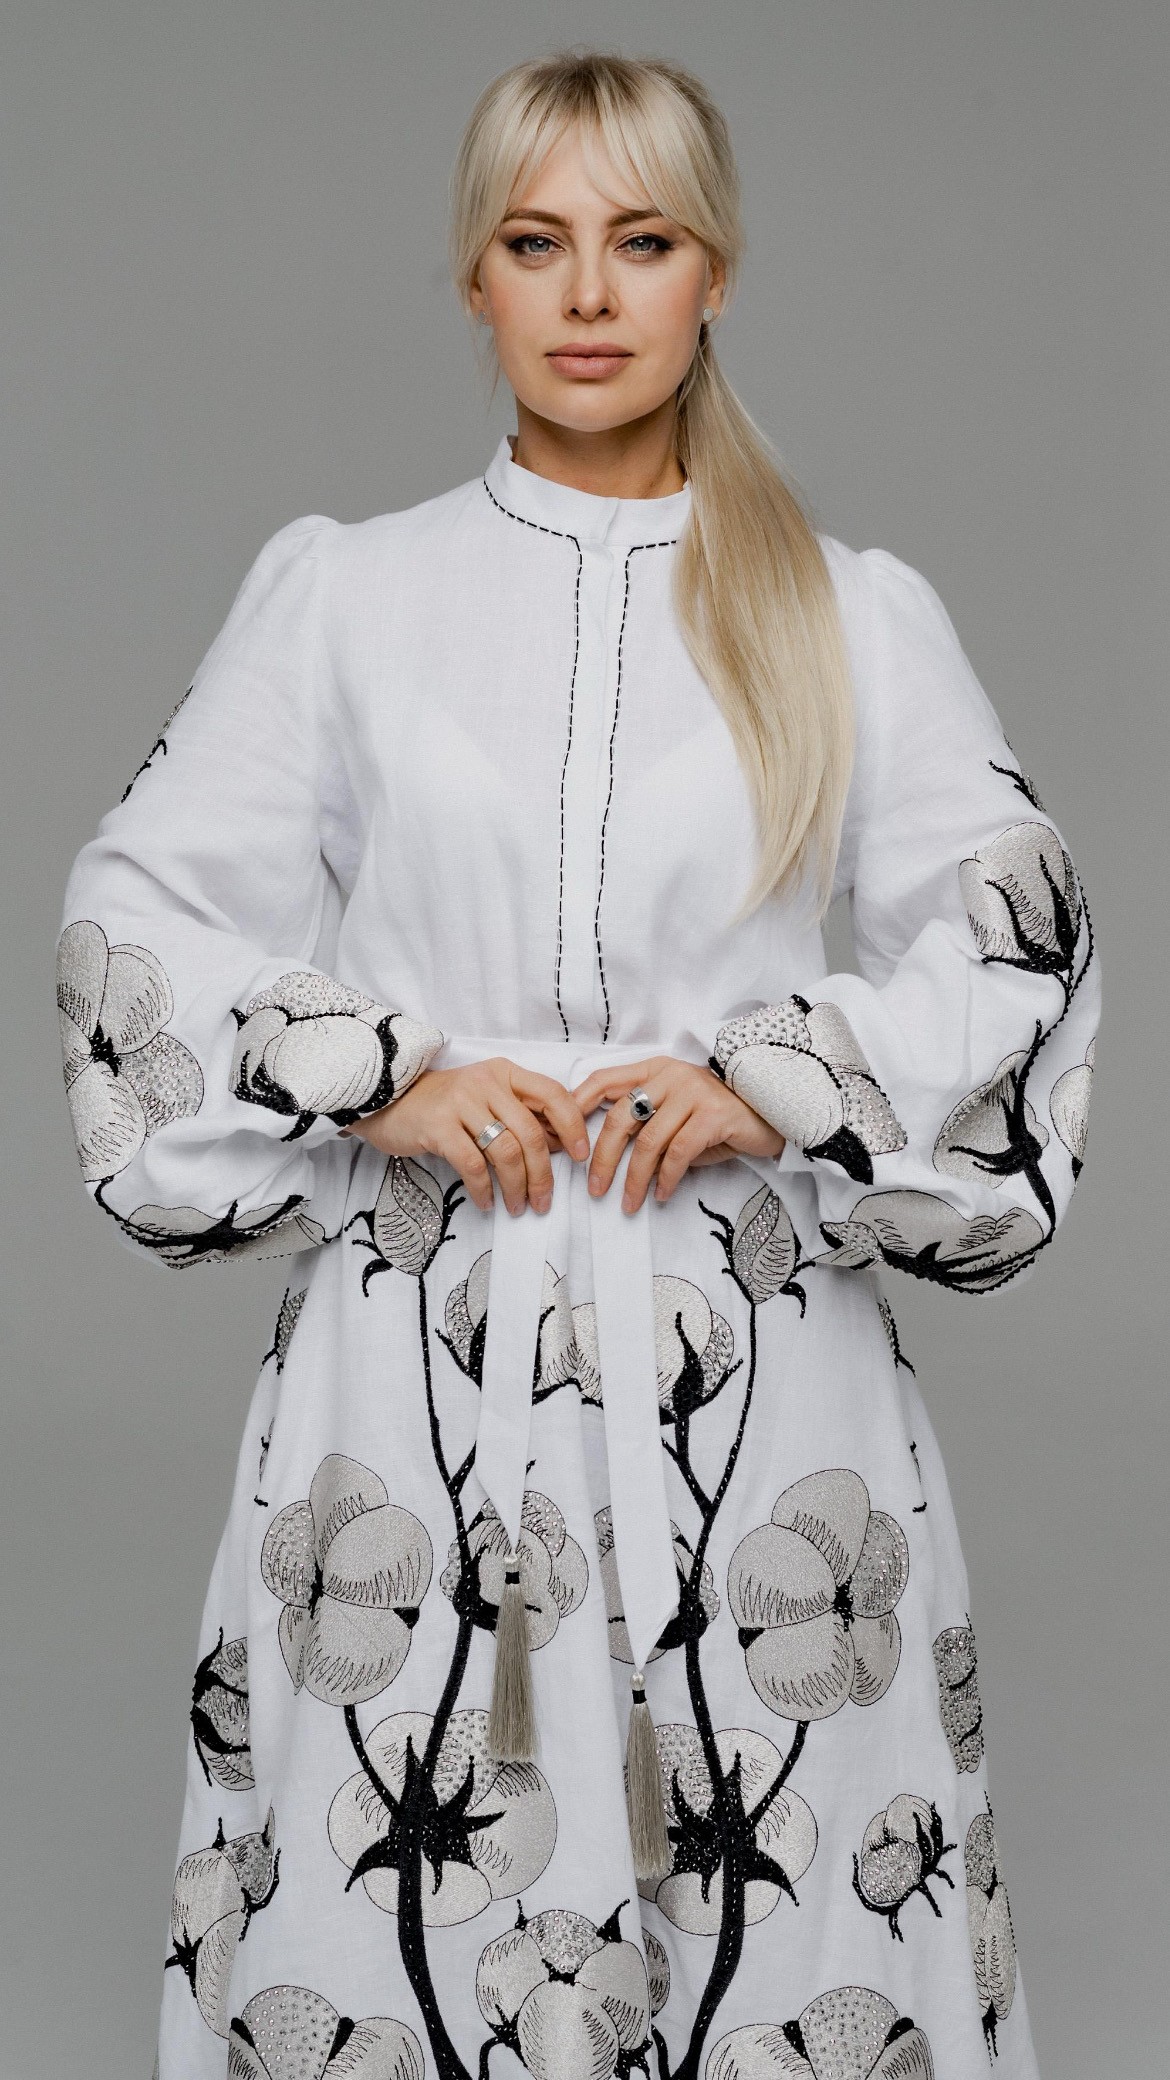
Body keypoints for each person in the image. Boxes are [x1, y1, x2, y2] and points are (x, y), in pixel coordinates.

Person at [56, 49, 1099, 2080]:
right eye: (539, 243)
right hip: (418, 1350)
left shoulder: (847, 617)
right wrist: (368, 1067)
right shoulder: (345, 600)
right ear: (475, 279)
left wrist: (793, 1067)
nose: (591, 291)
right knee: (404, 1873)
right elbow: (135, 919)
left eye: (643, 241)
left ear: (716, 274)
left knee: (776, 1886)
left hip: (753, 1358)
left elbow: (1023, 943)